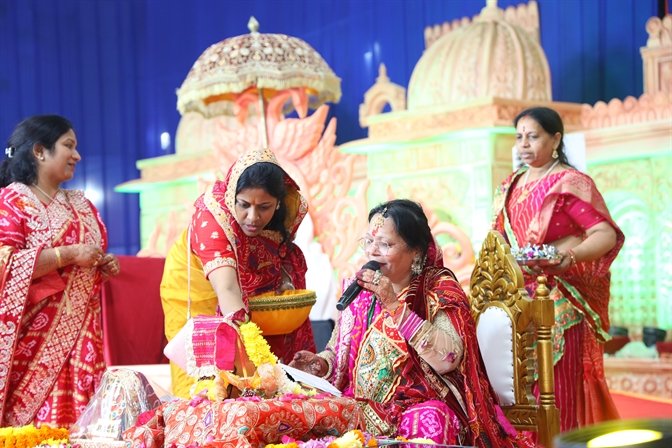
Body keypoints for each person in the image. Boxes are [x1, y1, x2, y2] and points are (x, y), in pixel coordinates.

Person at [290, 199, 532, 447]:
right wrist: (321, 363)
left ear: (415, 251)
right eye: (369, 242)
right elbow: (337, 351)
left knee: (430, 421)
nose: (372, 251)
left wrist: (394, 306)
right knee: (298, 413)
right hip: (360, 407)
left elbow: (448, 358)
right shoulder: (361, 292)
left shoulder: (438, 291)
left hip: (417, 408)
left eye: (385, 244)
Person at [492, 106, 624, 431]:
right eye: (519, 137)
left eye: (533, 136)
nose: (524, 144)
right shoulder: (510, 185)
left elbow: (605, 234)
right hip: (517, 297)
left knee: (558, 382)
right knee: (519, 389)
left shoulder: (569, 183)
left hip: (561, 295)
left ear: (555, 139)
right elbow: (498, 240)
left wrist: (571, 256)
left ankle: (562, 439)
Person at [161, 147, 315, 398]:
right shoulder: (212, 218)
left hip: (243, 286)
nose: (252, 217)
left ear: (277, 204)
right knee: (206, 378)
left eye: (264, 207)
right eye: (243, 205)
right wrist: (257, 352)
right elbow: (227, 289)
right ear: (232, 194)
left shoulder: (288, 208)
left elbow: (281, 254)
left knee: (266, 376)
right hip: (200, 287)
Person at [0, 115, 120, 427]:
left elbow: (86, 268)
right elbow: (4, 263)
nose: (77, 155)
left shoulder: (82, 205)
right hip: (32, 346)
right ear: (39, 151)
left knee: (83, 429)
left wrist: (102, 266)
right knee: (34, 435)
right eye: (68, 145)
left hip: (83, 338)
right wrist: (68, 255)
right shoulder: (12, 202)